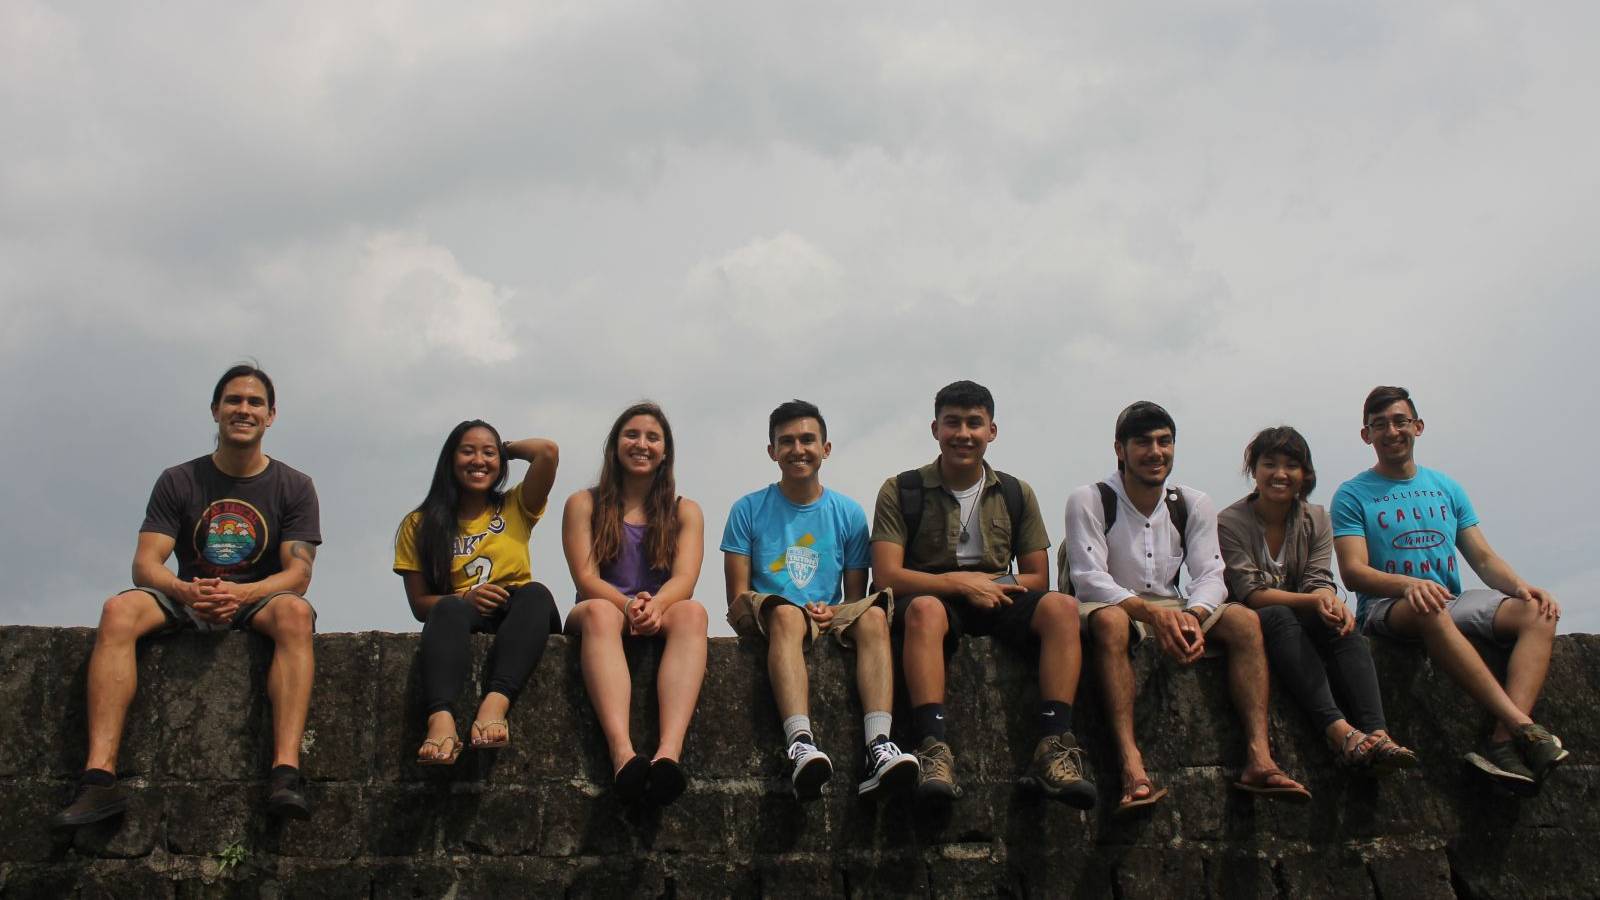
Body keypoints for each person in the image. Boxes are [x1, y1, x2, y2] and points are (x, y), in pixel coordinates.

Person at [54, 364, 321, 827]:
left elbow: (297, 573)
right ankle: (98, 780)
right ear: (215, 410)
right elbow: (145, 564)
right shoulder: (179, 480)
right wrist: (184, 589)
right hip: (189, 590)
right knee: (119, 609)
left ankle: (285, 773)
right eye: (234, 400)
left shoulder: (294, 486)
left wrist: (241, 594)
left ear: (271, 416)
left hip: (258, 597)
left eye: (255, 402)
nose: (244, 409)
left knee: (296, 615)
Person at [1064, 401, 1309, 816]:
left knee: (1245, 622)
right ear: (1120, 450)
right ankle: (1131, 766)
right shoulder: (1090, 499)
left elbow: (1211, 573)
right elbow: (1089, 577)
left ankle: (1259, 757)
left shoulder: (1191, 503)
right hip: (1109, 602)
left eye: (1164, 442)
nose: (1155, 452)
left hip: (1173, 602)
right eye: (1142, 443)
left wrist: (1193, 617)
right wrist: (1151, 614)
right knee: (1110, 624)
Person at [872, 380, 1096, 809]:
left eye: (975, 423)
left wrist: (988, 586)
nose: (964, 433)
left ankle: (1054, 746)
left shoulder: (1014, 492)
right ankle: (932, 748)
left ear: (992, 431)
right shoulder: (901, 489)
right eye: (953, 422)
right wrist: (957, 584)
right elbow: (887, 575)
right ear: (935, 428)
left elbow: (1036, 576)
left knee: (1062, 608)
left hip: (998, 595)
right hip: (932, 594)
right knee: (922, 612)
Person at [1332, 385, 1567, 793]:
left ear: (1418, 427)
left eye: (1400, 421)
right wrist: (1409, 586)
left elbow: (1482, 557)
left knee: (1537, 612)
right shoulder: (1352, 494)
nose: (1391, 431)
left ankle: (1502, 743)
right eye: (1380, 424)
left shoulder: (1446, 487)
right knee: (1429, 605)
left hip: (1448, 601)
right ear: (1366, 435)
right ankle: (1523, 726)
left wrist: (1522, 587)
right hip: (1388, 606)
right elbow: (1353, 572)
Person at [723, 400, 919, 801]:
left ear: (825, 448)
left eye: (808, 439)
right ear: (772, 451)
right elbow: (738, 597)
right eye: (787, 441)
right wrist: (787, 609)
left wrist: (833, 612)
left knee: (874, 616)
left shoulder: (848, 513)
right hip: (772, 615)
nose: (798, 449)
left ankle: (878, 746)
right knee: (788, 618)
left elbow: (853, 597)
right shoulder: (748, 509)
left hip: (826, 614)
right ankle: (800, 743)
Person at [1217, 426, 1417, 774]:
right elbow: (1250, 592)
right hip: (1250, 616)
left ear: (1304, 474)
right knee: (1279, 615)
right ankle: (1337, 731)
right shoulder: (1230, 522)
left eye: (1291, 466)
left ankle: (1377, 731)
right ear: (1254, 470)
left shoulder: (1317, 518)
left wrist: (1328, 601)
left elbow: (1317, 578)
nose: (1280, 474)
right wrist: (1314, 601)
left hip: (1299, 612)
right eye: (1270, 464)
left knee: (1341, 624)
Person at [562, 402, 709, 805]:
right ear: (615, 445)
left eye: (652, 437)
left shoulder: (685, 511)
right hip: (602, 606)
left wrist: (656, 606)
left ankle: (668, 754)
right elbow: (586, 578)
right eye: (632, 435)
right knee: (598, 612)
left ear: (665, 451)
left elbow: (686, 580)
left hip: (659, 607)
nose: (641, 444)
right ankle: (622, 752)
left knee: (693, 613)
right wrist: (627, 606)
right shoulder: (584, 504)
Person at [393, 421, 561, 765]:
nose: (478, 461)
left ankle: (495, 704)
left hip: (516, 611)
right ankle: (440, 719)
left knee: (536, 594)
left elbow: (547, 452)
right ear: (450, 459)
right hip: (462, 612)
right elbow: (419, 604)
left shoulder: (515, 505)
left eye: (488, 453)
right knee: (446, 609)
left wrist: (506, 448)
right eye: (467, 451)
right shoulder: (419, 523)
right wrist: (465, 598)